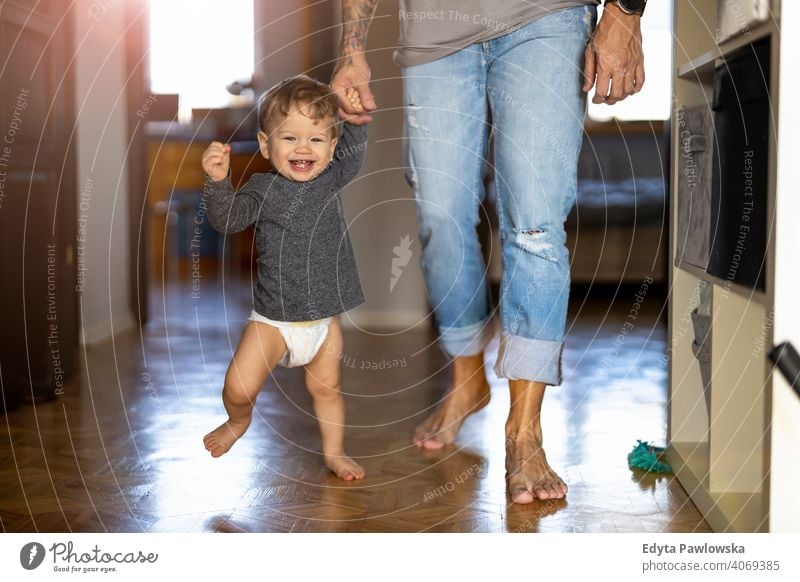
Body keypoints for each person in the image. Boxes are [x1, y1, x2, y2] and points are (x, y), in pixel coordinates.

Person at [330, 0, 645, 502]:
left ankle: (524, 433)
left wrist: (625, 13)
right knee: (441, 216)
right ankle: (467, 378)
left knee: (536, 226)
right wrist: (352, 48)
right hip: (434, 28)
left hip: (548, 16)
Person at [201, 75, 370, 481]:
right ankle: (238, 422)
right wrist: (218, 181)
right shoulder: (263, 188)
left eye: (315, 140)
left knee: (327, 390)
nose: (302, 148)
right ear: (265, 145)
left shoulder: (331, 177)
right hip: (273, 319)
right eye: (289, 138)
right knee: (238, 389)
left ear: (331, 147)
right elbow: (227, 221)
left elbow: (356, 148)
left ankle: (335, 452)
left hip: (322, 320)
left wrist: (356, 114)